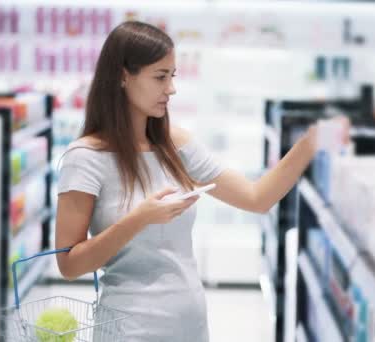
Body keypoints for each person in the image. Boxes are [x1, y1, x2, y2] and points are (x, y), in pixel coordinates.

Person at [55, 21, 349, 341]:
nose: (171, 88)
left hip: (191, 325)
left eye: (173, 75)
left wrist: (309, 143)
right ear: (123, 76)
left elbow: (256, 198)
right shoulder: (85, 159)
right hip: (129, 330)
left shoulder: (175, 145)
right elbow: (69, 265)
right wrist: (140, 218)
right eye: (160, 76)